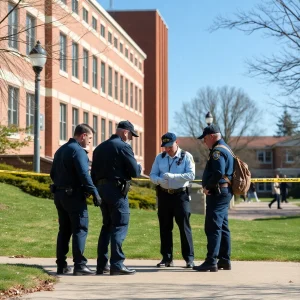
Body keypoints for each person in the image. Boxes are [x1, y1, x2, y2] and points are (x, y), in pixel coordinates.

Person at [91, 120, 141, 276]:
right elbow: (135, 172)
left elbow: (93, 173)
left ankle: (101, 265)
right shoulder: (123, 146)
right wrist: (139, 167)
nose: (131, 139)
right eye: (131, 135)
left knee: (107, 226)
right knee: (119, 225)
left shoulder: (99, 148)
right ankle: (117, 264)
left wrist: (95, 192)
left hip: (101, 190)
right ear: (125, 132)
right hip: (116, 191)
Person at [50, 124, 102, 276]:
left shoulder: (60, 150)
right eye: (90, 138)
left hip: (59, 195)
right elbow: (84, 175)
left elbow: (53, 173)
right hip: (73, 197)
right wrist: (95, 193)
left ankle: (61, 265)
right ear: (83, 136)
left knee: (64, 230)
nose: (90, 142)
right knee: (80, 228)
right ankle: (80, 265)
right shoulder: (78, 151)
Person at [150, 132, 195, 269]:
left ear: (177, 143)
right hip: (164, 195)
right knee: (165, 227)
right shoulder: (160, 157)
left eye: (170, 146)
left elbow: (191, 175)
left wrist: (173, 176)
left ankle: (189, 259)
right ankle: (166, 258)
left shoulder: (186, 156)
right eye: (165, 147)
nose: (167, 149)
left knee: (184, 227)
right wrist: (158, 180)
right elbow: (152, 174)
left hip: (180, 195)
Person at [193, 124, 234, 272]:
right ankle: (224, 260)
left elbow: (218, 172)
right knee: (222, 226)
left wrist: (207, 187)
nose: (204, 142)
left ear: (211, 136)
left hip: (217, 193)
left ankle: (211, 261)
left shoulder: (217, 151)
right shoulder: (226, 148)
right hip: (224, 192)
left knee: (213, 227)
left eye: (205, 138)